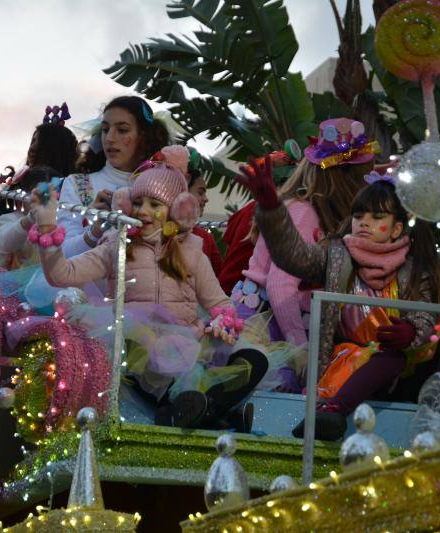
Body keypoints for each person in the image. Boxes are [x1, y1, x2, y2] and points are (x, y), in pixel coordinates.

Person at [28, 145, 267, 430]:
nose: (143, 211)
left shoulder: (193, 251)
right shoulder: (117, 245)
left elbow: (220, 303)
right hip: (140, 347)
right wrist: (46, 230)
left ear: (177, 210)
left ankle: (200, 410)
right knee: (144, 342)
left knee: (256, 357)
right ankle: (216, 415)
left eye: (155, 205)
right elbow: (61, 274)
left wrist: (221, 323)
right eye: (138, 202)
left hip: (189, 341)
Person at [239, 160, 440, 441]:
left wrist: (411, 331)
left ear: (396, 229)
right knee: (388, 357)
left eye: (376, 217)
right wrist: (272, 209)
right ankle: (333, 412)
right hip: (352, 366)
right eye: (359, 216)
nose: (364, 222)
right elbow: (294, 256)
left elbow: (426, 312)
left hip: (405, 369)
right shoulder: (338, 255)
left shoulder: (414, 266)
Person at [231, 118, 374, 355]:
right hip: (267, 328)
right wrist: (299, 348)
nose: (366, 183)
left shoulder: (316, 211)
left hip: (283, 324)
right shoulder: (303, 211)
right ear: (345, 177)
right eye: (363, 175)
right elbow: (280, 284)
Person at [57, 96, 170, 258]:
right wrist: (95, 230)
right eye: (105, 129)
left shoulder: (162, 188)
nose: (110, 138)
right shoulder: (77, 184)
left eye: (122, 130)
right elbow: (62, 255)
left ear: (144, 137)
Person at [0, 166, 60, 270]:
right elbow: (4, 244)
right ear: (19, 198)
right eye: (40, 196)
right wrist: (29, 220)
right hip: (12, 281)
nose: (47, 202)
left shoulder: (60, 222)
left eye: (55, 197)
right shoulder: (10, 219)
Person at [186, 161, 222, 276]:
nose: (206, 199)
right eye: (200, 192)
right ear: (182, 191)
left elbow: (220, 279)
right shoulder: (158, 234)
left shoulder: (206, 238)